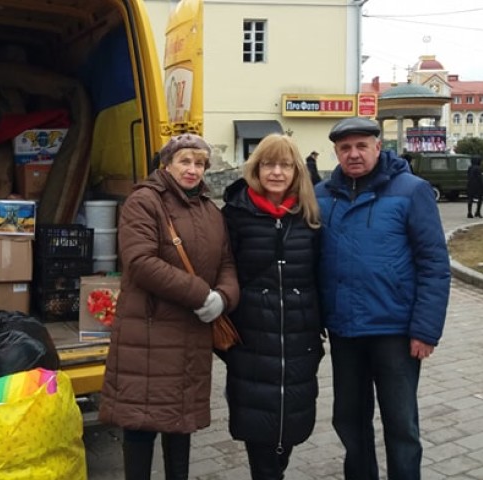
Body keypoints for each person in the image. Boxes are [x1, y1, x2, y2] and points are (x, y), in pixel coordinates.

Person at [315, 117, 451, 480]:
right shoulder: (320, 195)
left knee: (401, 424)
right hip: (345, 330)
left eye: (362, 146)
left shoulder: (412, 190)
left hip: (396, 331)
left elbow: (434, 264)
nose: (354, 154)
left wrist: (426, 329)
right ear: (336, 153)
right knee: (349, 419)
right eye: (345, 148)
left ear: (378, 146)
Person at [99, 133, 240, 480]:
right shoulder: (145, 201)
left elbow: (227, 264)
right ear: (167, 163)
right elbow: (140, 261)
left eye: (200, 163)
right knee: (140, 426)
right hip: (147, 334)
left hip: (190, 336)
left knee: (180, 425)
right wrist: (200, 295)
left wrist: (223, 297)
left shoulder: (210, 210)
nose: (192, 170)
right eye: (185, 161)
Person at [221, 134, 324, 480]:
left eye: (285, 165)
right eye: (269, 164)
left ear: (297, 171)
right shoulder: (235, 213)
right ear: (256, 168)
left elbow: (322, 273)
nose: (276, 172)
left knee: (290, 429)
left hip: (299, 340)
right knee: (258, 431)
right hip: (251, 340)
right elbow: (223, 268)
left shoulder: (310, 215)